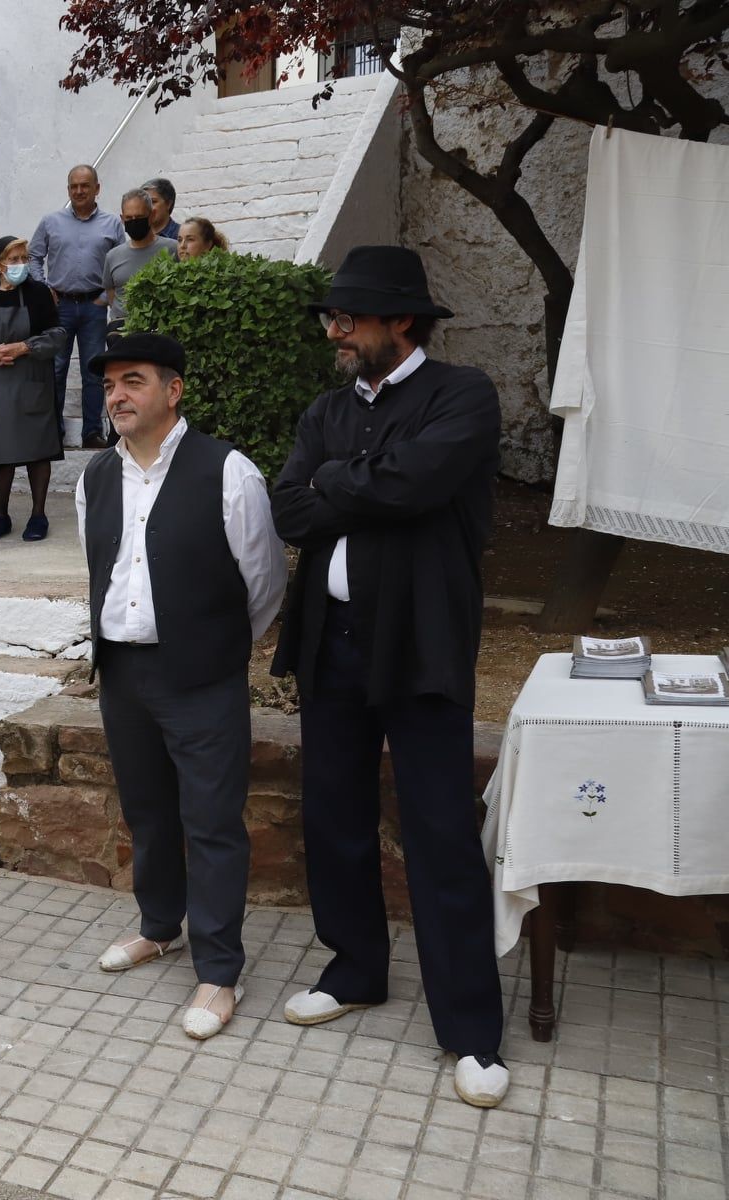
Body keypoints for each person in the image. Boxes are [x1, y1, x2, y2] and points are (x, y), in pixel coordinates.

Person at [270, 245, 509, 1108]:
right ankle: (355, 969)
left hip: (420, 643)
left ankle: (472, 1028)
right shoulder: (325, 411)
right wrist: (354, 486)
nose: (335, 330)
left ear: (400, 322)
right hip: (331, 642)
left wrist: (343, 485)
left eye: (350, 318)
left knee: (441, 830)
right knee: (334, 814)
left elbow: (420, 482)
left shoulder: (464, 396)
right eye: (333, 317)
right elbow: (289, 503)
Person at [76, 333, 286, 1041]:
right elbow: (99, 567)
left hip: (201, 674)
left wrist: (212, 646)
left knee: (212, 821)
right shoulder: (96, 476)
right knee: (148, 810)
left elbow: (263, 584)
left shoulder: (229, 473)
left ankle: (220, 970)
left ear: (174, 390)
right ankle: (159, 926)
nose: (117, 396)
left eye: (132, 381)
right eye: (108, 385)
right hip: (125, 673)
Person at [0, 236, 66, 543]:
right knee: (0, 453)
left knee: (37, 449)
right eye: (15, 259)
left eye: (24, 258)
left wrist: (23, 347)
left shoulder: (38, 294)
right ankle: (1, 515)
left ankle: (38, 515)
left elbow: (57, 334)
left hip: (32, 381)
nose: (22, 265)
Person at [31, 165, 126, 449]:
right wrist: (43, 286)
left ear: (97, 188)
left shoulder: (112, 224)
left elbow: (122, 261)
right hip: (59, 306)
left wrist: (108, 297)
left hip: (94, 306)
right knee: (56, 370)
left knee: (94, 371)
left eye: (85, 185)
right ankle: (53, 432)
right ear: (68, 189)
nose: (79, 191)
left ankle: (92, 433)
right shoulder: (50, 222)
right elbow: (34, 256)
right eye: (74, 186)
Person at [103, 191, 179, 326]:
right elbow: (111, 294)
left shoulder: (172, 249)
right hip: (122, 330)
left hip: (160, 328)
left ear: (152, 216)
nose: (134, 222)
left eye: (139, 217)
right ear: (122, 218)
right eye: (129, 218)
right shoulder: (112, 256)